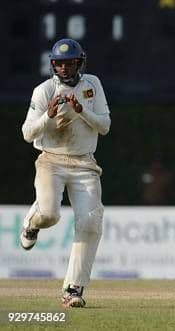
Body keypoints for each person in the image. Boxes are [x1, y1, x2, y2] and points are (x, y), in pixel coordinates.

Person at [20, 38, 111, 308]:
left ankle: (73, 289)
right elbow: (27, 133)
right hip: (51, 160)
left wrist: (81, 111)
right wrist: (48, 116)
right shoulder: (43, 91)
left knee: (91, 222)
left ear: (79, 63)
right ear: (52, 65)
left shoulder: (92, 84)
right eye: (59, 64)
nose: (64, 68)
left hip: (85, 163)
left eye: (69, 63)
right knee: (49, 214)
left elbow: (104, 126)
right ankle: (31, 222)